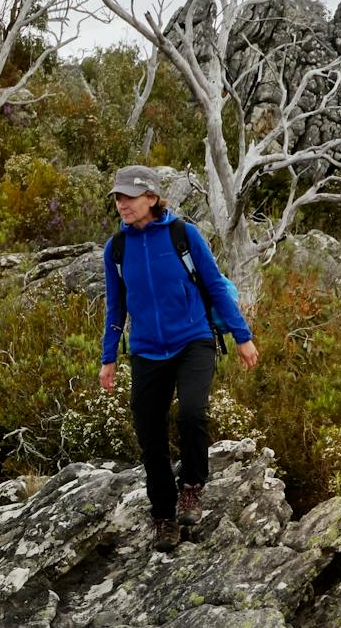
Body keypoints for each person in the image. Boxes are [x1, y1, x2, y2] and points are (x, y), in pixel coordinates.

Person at [99, 165, 259, 550]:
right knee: (149, 435)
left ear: (152, 198)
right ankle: (163, 516)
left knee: (191, 413)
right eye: (117, 198)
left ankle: (192, 487)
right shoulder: (116, 249)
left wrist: (243, 336)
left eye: (129, 197)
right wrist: (109, 358)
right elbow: (115, 308)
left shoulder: (183, 236)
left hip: (193, 340)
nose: (122, 205)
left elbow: (216, 288)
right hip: (147, 350)